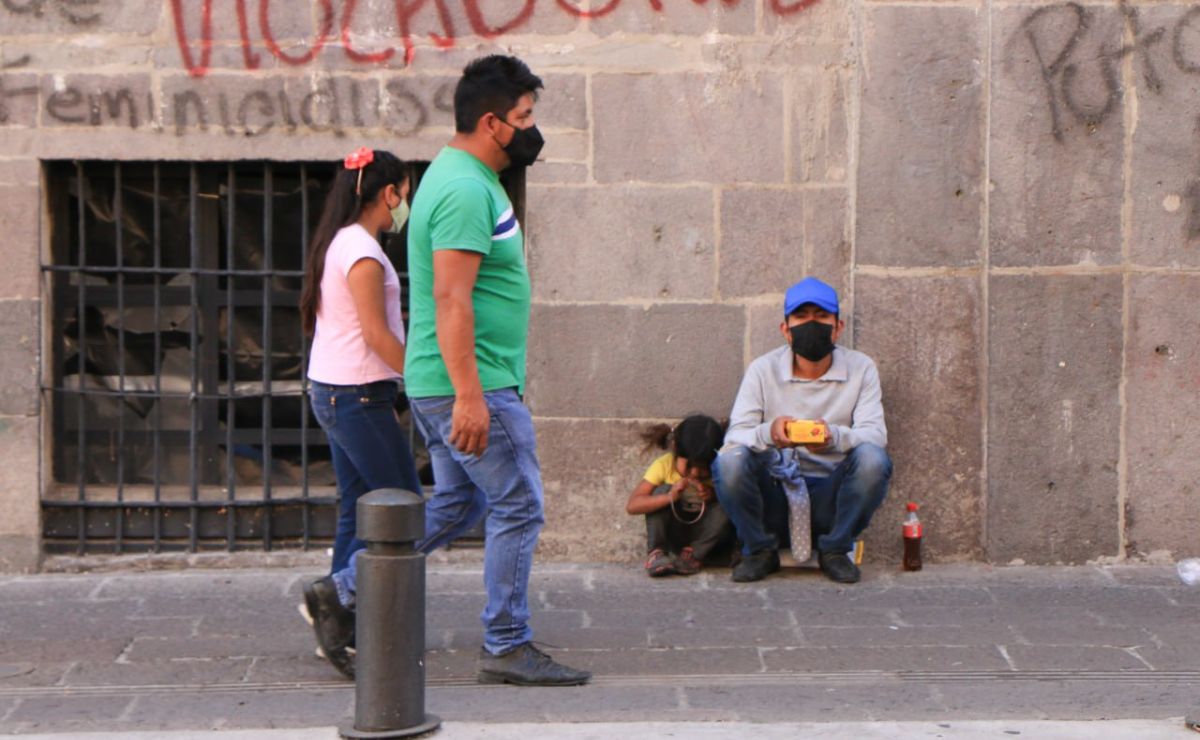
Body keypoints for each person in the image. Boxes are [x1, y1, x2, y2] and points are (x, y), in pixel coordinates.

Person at [308, 55, 590, 686]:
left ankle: (344, 589)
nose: (530, 129)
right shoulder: (464, 187)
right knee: (518, 504)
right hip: (472, 380)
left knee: (459, 504)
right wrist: (471, 395)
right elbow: (450, 297)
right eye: (524, 117)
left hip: (453, 378)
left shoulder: (458, 176)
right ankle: (508, 642)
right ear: (492, 123)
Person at [298, 147, 422, 678]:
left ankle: (338, 620)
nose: (405, 205)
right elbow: (375, 335)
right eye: (405, 194)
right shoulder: (364, 253)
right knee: (404, 507)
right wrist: (424, 380)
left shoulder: (341, 242)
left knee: (357, 505)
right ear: (387, 193)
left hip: (336, 392)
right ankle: (336, 596)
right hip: (357, 396)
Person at [714, 277, 891, 584]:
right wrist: (770, 432)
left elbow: (875, 436)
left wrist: (834, 437)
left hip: (830, 495)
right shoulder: (762, 370)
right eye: (801, 316)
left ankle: (835, 549)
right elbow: (734, 438)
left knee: (873, 459)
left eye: (821, 316)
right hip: (774, 493)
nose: (812, 324)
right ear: (785, 329)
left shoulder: (862, 368)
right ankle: (758, 550)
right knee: (729, 462)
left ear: (838, 327)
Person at [626, 416, 732, 577]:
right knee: (661, 491)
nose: (695, 473)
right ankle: (657, 553)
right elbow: (633, 505)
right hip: (675, 532)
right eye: (689, 465)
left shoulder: (720, 470)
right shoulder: (665, 466)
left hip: (706, 540)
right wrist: (670, 497)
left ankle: (694, 555)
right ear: (675, 450)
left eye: (703, 467)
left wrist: (714, 495)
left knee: (728, 501)